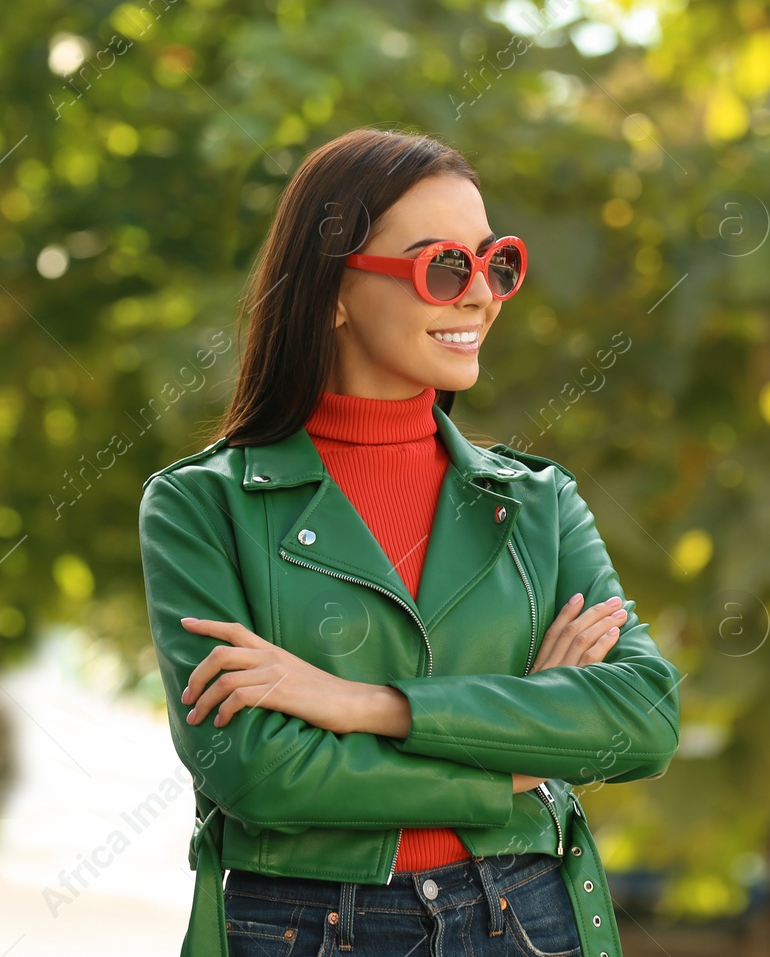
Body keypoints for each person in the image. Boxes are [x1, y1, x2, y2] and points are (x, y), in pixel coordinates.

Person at [138, 127, 681, 957]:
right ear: (334, 292)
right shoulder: (201, 505)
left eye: (495, 262)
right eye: (444, 268)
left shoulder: (538, 502)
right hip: (307, 926)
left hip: (526, 916)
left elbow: (640, 718)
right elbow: (254, 771)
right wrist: (519, 761)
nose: (481, 297)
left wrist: (360, 703)